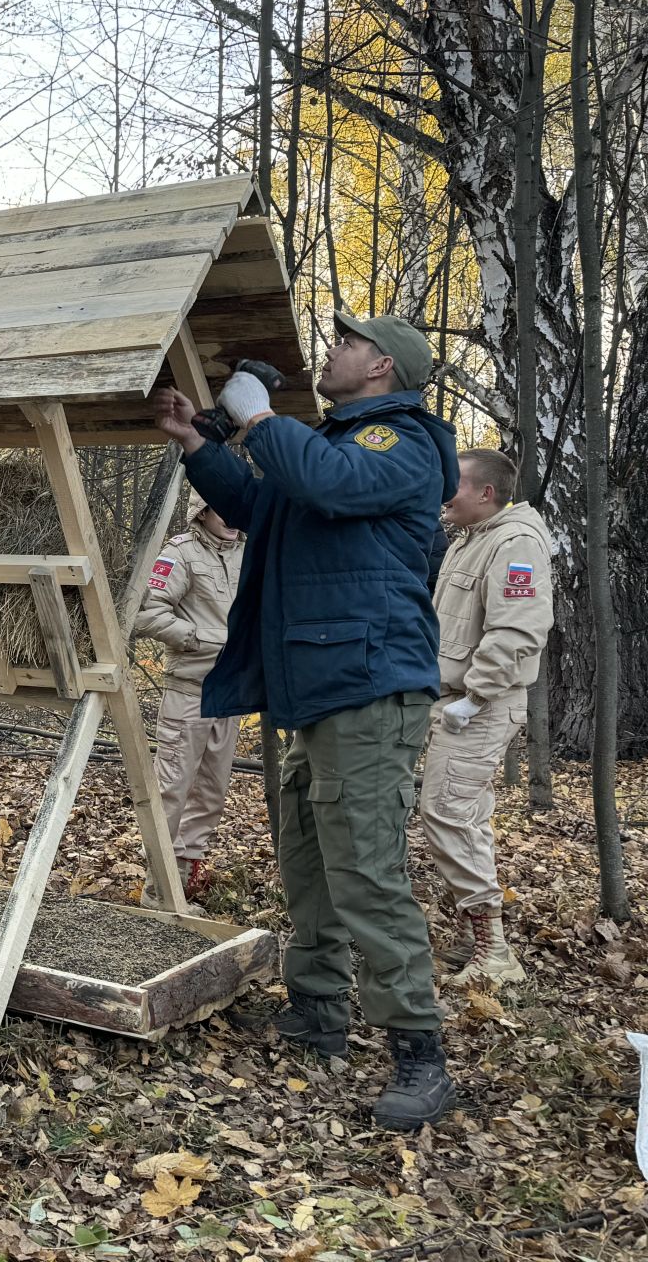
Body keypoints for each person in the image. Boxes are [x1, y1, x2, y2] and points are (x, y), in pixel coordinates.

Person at [152, 309, 461, 1131]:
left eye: (347, 344)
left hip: (368, 687)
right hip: (315, 690)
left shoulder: (405, 443)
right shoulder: (329, 445)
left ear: (382, 370)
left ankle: (419, 1054)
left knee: (364, 867)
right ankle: (318, 1011)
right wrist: (198, 443)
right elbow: (261, 504)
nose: (331, 350)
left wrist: (258, 416)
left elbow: (326, 483)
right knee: (309, 861)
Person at [421, 447, 553, 987]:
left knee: (446, 812)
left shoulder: (515, 542)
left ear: (486, 493)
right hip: (456, 700)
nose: (444, 495)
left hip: (480, 705)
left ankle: (494, 953)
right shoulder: (472, 539)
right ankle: (482, 939)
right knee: (465, 816)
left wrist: (473, 698)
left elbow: (517, 631)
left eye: (454, 485)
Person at [134, 497, 244, 904]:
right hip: (190, 689)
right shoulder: (180, 553)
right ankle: (156, 881)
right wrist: (198, 639)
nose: (231, 518)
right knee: (172, 788)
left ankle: (183, 871)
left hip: (231, 691)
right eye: (221, 509)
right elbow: (146, 613)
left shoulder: (249, 552)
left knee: (212, 791)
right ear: (202, 512)